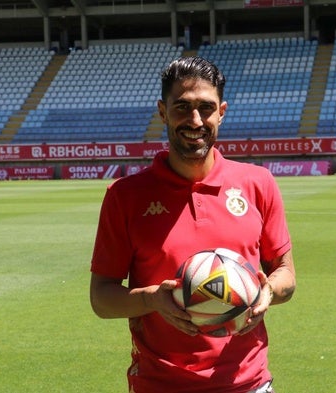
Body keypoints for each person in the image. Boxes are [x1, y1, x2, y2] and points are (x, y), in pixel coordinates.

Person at [89, 56, 296, 393]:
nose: (195, 120)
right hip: (159, 385)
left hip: (248, 384)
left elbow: (286, 273)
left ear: (222, 112)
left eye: (206, 108)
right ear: (162, 111)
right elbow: (101, 298)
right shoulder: (125, 196)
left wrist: (268, 291)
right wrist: (152, 299)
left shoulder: (258, 183)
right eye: (182, 107)